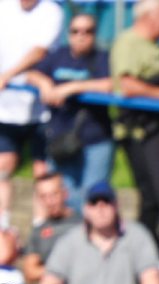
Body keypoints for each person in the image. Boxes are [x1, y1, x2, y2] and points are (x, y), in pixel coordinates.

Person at [111, 0, 159, 238]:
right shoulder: (129, 42)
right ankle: (147, 250)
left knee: (158, 196)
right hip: (142, 131)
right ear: (149, 16)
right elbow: (127, 84)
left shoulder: (153, 46)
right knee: (153, 196)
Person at [28, 11, 113, 198]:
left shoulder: (102, 58)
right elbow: (31, 74)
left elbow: (111, 84)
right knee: (60, 197)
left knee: (91, 198)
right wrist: (45, 84)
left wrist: (72, 88)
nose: (81, 36)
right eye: (76, 31)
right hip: (60, 139)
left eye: (87, 31)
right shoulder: (59, 55)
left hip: (94, 140)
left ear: (95, 34)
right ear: (69, 34)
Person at [0, 0, 62, 223]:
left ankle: (40, 227)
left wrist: (8, 75)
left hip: (40, 110)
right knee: (4, 166)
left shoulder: (51, 11)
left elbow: (39, 51)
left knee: (41, 171)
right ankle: (3, 226)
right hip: (6, 108)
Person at [20, 171, 79, 284]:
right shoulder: (38, 231)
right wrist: (61, 270)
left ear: (65, 193)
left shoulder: (83, 224)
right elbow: (30, 271)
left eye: (54, 194)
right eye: (43, 196)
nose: (49, 201)